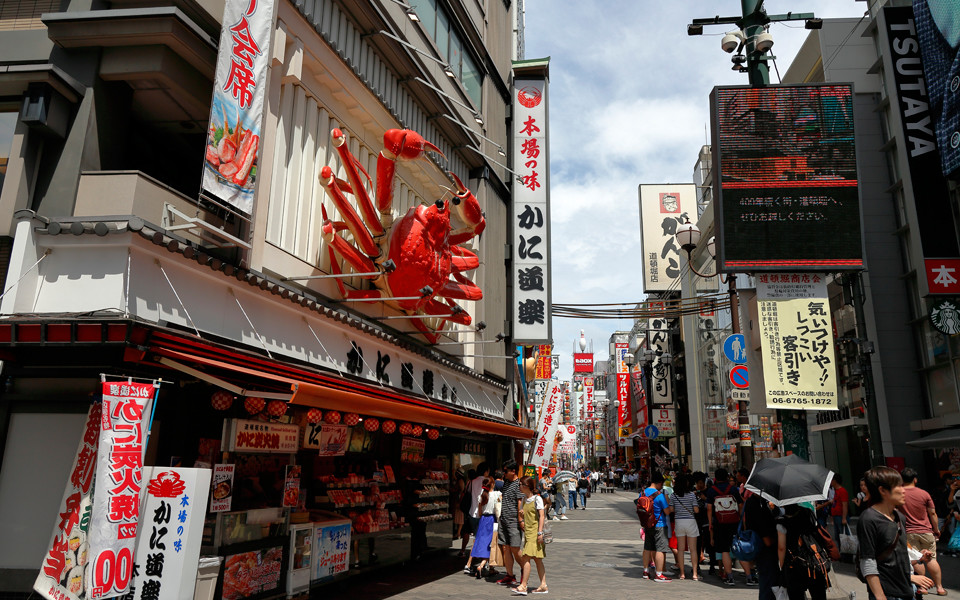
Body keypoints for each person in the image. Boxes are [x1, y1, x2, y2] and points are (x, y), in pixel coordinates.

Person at [859, 466, 933, 600]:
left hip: (907, 590)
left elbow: (897, 556)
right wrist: (880, 596)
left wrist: (919, 559)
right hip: (887, 593)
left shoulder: (899, 516)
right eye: (899, 486)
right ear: (882, 490)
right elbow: (867, 561)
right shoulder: (868, 519)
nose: (904, 490)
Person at [896, 467, 945, 595]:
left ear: (901, 479)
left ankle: (922, 587)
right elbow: (932, 513)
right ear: (915, 479)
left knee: (917, 559)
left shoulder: (898, 493)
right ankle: (939, 587)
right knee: (931, 559)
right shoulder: (924, 494)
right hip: (926, 531)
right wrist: (936, 529)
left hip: (909, 532)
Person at [777, 504, 829, 600]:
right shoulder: (808, 513)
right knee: (819, 594)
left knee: (796, 595)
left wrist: (782, 566)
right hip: (813, 559)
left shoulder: (781, 523)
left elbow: (781, 547)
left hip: (793, 564)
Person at [706, 467, 743, 586]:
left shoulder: (712, 491)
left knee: (724, 550)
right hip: (734, 522)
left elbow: (709, 509)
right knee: (739, 547)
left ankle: (730, 577)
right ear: (727, 477)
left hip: (719, 523)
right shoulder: (733, 489)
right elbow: (741, 504)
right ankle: (749, 575)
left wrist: (710, 523)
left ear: (716, 478)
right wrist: (740, 517)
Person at [512, 476, 547, 596]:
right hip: (527, 532)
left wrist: (540, 532)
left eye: (521, 484)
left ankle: (523, 586)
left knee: (526, 557)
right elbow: (522, 516)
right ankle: (543, 585)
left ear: (528, 486)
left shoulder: (537, 499)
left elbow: (542, 516)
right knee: (537, 559)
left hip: (535, 532)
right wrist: (521, 515)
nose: (519, 487)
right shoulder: (524, 499)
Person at [744, 492, 779, 600]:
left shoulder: (755, 502)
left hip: (760, 549)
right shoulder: (757, 505)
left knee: (766, 582)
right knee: (768, 584)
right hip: (766, 549)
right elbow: (766, 537)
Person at [464, 477, 500, 578]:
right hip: (492, 520)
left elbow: (479, 513)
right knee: (490, 544)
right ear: (492, 484)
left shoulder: (482, 496)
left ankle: (489, 567)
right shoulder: (496, 495)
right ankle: (482, 565)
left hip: (483, 520)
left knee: (480, 542)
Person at [496, 460, 524, 588]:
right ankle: (510, 575)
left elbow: (520, 502)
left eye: (506, 471)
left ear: (513, 471)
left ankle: (525, 569)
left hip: (514, 520)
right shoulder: (506, 482)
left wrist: (520, 520)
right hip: (503, 519)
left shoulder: (519, 484)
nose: (504, 473)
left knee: (515, 548)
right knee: (505, 547)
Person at [642, 471, 673, 582]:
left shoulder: (643, 493)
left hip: (647, 524)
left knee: (647, 548)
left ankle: (646, 571)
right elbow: (667, 511)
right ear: (659, 483)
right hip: (659, 524)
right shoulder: (659, 495)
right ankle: (659, 574)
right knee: (660, 548)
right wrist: (671, 507)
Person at [670, 474, 700, 580]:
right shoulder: (692, 495)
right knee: (693, 550)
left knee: (681, 549)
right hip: (691, 522)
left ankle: (682, 573)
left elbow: (671, 510)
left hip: (679, 522)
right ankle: (695, 574)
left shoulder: (673, 496)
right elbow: (696, 510)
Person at [736, 467, 757, 585]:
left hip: (750, 517)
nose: (737, 477)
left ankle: (751, 569)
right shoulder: (743, 486)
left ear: (743, 476)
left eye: (738, 475)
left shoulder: (749, 486)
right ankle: (751, 569)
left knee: (750, 543)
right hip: (745, 517)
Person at [692, 471, 713, 572]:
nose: (700, 485)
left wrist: (705, 499)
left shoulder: (709, 491)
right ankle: (697, 566)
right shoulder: (693, 492)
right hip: (696, 521)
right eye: (698, 483)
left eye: (702, 482)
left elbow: (711, 505)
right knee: (697, 543)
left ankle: (712, 565)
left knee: (709, 543)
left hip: (707, 520)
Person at [468, 462, 490, 544]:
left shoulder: (472, 481)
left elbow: (469, 492)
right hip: (483, 513)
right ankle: (478, 554)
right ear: (485, 472)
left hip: (472, 512)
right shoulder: (487, 482)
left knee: (476, 536)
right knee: (483, 538)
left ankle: (476, 554)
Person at [453, 470, 470, 557]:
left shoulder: (461, 481)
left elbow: (461, 491)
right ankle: (458, 533)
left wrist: (459, 501)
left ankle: (458, 533)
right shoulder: (463, 481)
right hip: (459, 501)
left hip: (460, 501)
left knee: (460, 517)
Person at [830, 475, 850, 546]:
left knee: (844, 536)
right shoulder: (836, 491)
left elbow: (845, 505)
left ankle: (846, 554)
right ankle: (842, 553)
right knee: (838, 537)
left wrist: (844, 518)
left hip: (840, 516)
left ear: (835, 481)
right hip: (836, 516)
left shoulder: (842, 491)